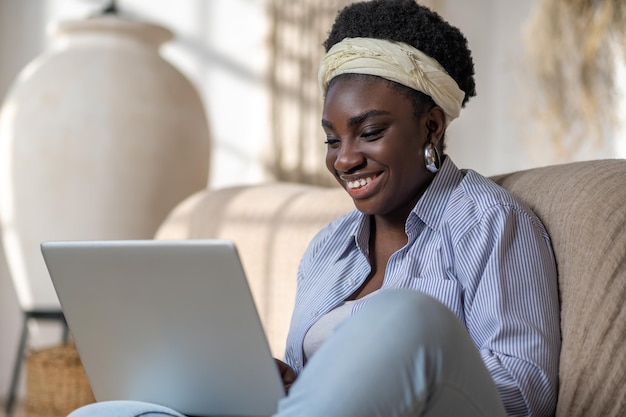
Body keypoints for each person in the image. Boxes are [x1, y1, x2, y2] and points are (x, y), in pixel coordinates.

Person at [69, 1, 560, 416]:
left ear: (431, 127)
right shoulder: (328, 247)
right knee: (113, 411)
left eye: (370, 132)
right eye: (332, 138)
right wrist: (287, 382)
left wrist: (388, 375)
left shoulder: (488, 221)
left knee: (408, 315)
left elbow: (526, 388)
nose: (345, 158)